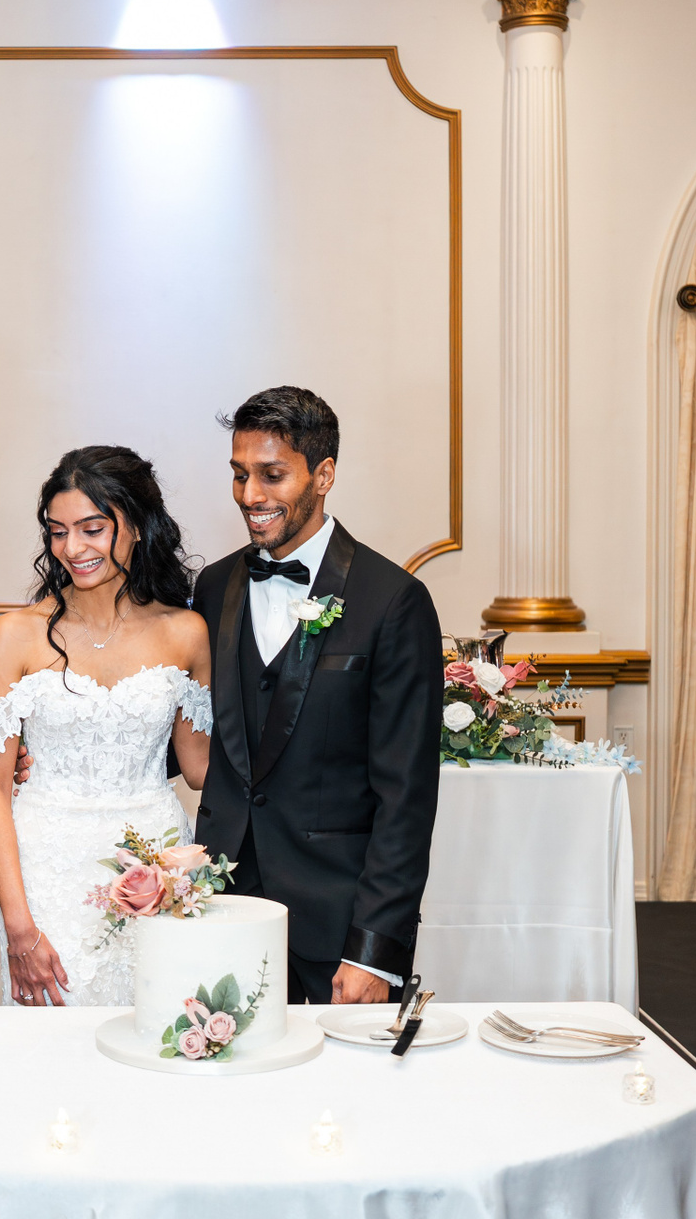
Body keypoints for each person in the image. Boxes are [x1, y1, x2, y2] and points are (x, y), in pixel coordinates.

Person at [191, 386, 441, 1006]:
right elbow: (201, 733)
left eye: (272, 475)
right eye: (240, 474)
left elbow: (406, 799)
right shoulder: (214, 586)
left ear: (323, 475)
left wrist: (374, 950)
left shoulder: (393, 601)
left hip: (339, 925)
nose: (250, 495)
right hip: (225, 910)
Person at [0, 446, 212, 1007]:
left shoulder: (185, 632)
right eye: (57, 532)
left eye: (92, 529)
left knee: (160, 1028)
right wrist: (19, 926)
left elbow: (199, 768)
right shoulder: (15, 635)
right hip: (47, 872)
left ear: (137, 527)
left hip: (157, 864)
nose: (72, 548)